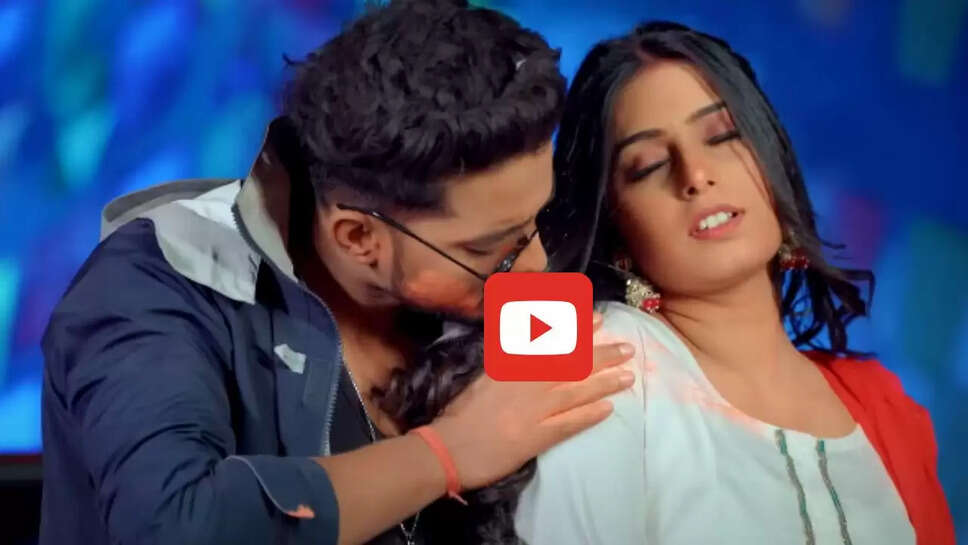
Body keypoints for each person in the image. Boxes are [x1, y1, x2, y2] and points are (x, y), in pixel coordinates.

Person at [38, 2, 638, 544]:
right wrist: (446, 454)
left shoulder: (470, 287)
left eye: (536, 221)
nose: (534, 266)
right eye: (490, 249)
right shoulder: (153, 285)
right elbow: (173, 523)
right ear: (358, 238)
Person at [513, 21, 955, 545]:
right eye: (649, 165)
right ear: (616, 230)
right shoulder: (599, 358)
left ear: (773, 163)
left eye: (722, 136)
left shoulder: (887, 406)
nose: (696, 174)